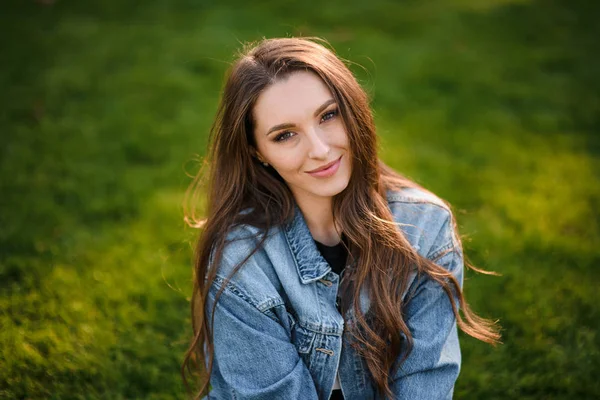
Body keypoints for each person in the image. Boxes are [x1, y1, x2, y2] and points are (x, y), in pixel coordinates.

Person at [182, 37, 500, 400]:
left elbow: (423, 381)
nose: (319, 150)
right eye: (285, 135)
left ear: (353, 110)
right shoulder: (241, 262)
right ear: (258, 153)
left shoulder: (425, 228)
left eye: (328, 115)